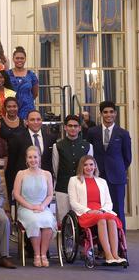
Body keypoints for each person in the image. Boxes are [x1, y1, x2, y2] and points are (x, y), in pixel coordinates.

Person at [67, 155, 127, 265]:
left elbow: (109, 202)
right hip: (85, 213)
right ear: (81, 166)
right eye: (85, 165)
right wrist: (89, 211)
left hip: (102, 211)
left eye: (91, 165)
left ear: (95, 166)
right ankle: (108, 255)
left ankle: (115, 255)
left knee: (111, 218)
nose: (89, 167)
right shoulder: (74, 180)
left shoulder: (102, 181)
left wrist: (103, 210)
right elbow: (73, 202)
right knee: (102, 219)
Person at [87, 101, 132, 229]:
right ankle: (102, 246)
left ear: (115, 114)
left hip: (117, 177)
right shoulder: (92, 132)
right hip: (98, 176)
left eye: (111, 112)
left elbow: (127, 158)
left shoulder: (123, 133)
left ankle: (120, 246)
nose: (108, 115)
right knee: (99, 210)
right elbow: (89, 154)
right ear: (101, 114)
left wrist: (120, 170)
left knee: (117, 209)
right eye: (105, 112)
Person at [12, 146, 57, 267]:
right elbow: (16, 194)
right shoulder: (21, 174)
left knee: (48, 220)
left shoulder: (47, 174)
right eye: (30, 157)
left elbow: (50, 195)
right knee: (34, 221)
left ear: (39, 158)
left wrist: (42, 206)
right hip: (26, 208)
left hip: (42, 207)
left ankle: (43, 254)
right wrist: (31, 206)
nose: (33, 160)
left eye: (35, 157)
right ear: (26, 159)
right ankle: (36, 255)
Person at [8, 110, 57, 201]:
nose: (36, 122)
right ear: (26, 122)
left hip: (44, 185)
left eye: (38, 119)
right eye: (32, 119)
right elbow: (12, 164)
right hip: (25, 185)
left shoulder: (51, 138)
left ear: (42, 121)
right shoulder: (17, 138)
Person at [52, 115, 93, 221]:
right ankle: (63, 238)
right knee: (63, 219)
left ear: (80, 128)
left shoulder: (88, 146)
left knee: (81, 219)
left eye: (76, 126)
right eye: (70, 126)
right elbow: (55, 168)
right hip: (62, 187)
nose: (73, 128)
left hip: (82, 186)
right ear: (65, 127)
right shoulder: (58, 146)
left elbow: (90, 169)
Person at [7, 47, 38, 119]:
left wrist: (26, 100)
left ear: (25, 59)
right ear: (13, 59)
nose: (19, 60)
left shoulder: (31, 75)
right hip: (12, 109)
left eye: (22, 58)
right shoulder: (7, 74)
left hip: (28, 109)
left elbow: (35, 93)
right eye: (17, 58)